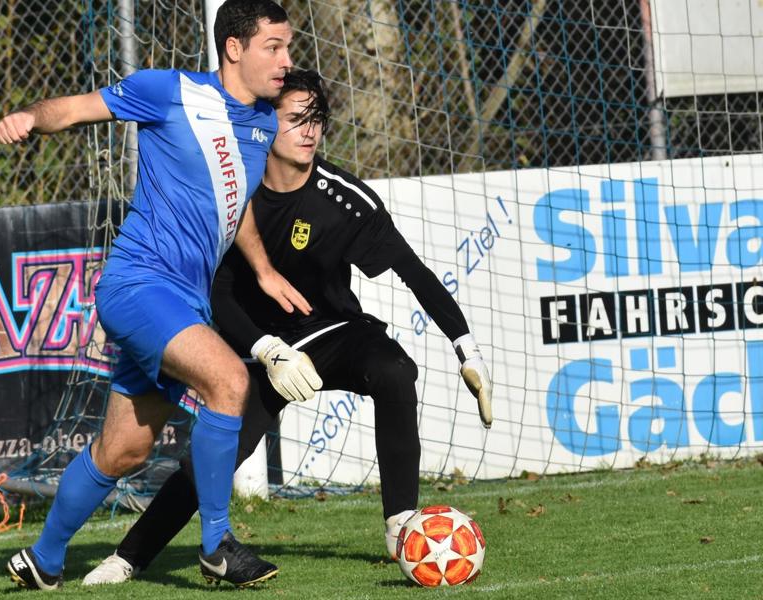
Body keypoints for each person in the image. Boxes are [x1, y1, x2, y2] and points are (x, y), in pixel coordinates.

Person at [80, 69, 494, 587]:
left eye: (317, 120)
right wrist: (265, 347)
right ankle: (128, 558)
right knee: (216, 454)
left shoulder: (344, 199)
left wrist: (466, 347)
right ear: (263, 124)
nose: (310, 131)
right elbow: (215, 292)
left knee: (393, 369)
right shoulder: (228, 197)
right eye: (296, 119)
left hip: (332, 332)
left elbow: (415, 273)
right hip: (255, 348)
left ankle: (400, 525)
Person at [0, 0, 322, 590]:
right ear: (234, 48)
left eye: (288, 47)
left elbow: (235, 201)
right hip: (136, 284)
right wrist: (28, 117)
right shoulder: (167, 90)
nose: (286, 60)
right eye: (274, 46)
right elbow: (72, 109)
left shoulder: (264, 124)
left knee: (122, 453)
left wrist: (264, 268)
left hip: (185, 303)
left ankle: (43, 559)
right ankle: (217, 544)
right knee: (229, 380)